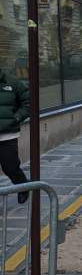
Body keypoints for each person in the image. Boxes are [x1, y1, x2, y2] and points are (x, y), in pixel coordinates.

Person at [0, 67, 30, 203]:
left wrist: (16, 118)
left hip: (7, 135)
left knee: (10, 167)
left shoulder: (13, 83)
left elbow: (28, 103)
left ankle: (23, 187)